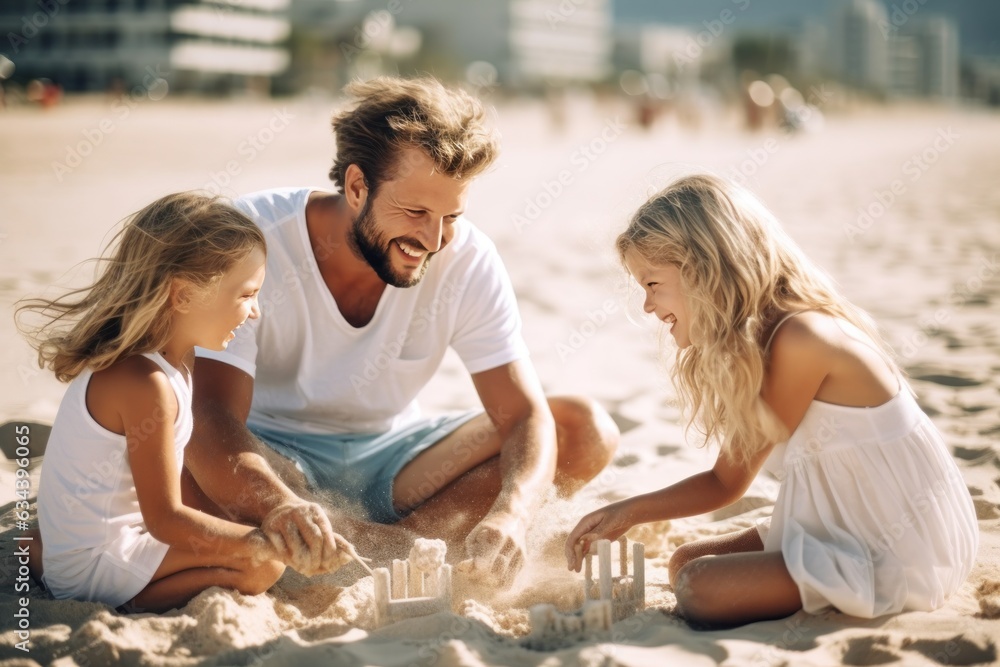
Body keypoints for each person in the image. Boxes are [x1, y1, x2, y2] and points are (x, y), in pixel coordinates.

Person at [186, 77, 620, 584]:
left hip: (395, 462)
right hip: (268, 455)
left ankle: (387, 549)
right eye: (415, 212)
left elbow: (524, 413)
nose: (433, 239)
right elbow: (208, 416)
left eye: (451, 216)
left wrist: (512, 515)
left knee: (581, 429)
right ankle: (379, 546)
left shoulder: (467, 259)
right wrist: (282, 504)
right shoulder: (250, 236)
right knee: (179, 459)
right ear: (355, 186)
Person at [564, 174, 979, 627]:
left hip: (895, 543)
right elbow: (728, 480)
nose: (647, 306)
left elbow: (727, 482)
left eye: (652, 284)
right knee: (684, 562)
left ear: (702, 269)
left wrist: (626, 511)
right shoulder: (769, 336)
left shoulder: (799, 338)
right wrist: (624, 513)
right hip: (842, 519)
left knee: (699, 588)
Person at [17, 193, 313, 613]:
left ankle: (53, 554)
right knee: (262, 567)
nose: (255, 313)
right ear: (183, 295)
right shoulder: (146, 384)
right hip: (95, 561)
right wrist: (257, 543)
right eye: (246, 294)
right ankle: (123, 599)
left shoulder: (175, 359)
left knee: (238, 528)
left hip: (99, 536)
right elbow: (165, 519)